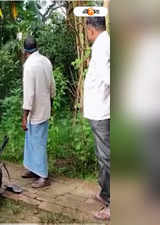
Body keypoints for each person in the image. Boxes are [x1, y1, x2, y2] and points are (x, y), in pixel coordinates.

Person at [84, 16, 110, 220]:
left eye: (86, 30)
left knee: (107, 157)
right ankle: (104, 193)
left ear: (91, 29)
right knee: (103, 155)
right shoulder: (103, 44)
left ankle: (113, 203)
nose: (86, 34)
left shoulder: (101, 46)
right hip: (99, 110)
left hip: (102, 111)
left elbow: (107, 77)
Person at [21, 36, 56, 188]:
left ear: (25, 51)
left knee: (38, 143)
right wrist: (51, 103)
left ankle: (43, 176)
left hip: (35, 111)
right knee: (32, 142)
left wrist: (24, 116)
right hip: (44, 107)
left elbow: (29, 93)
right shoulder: (45, 61)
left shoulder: (29, 65)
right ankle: (34, 169)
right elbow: (52, 85)